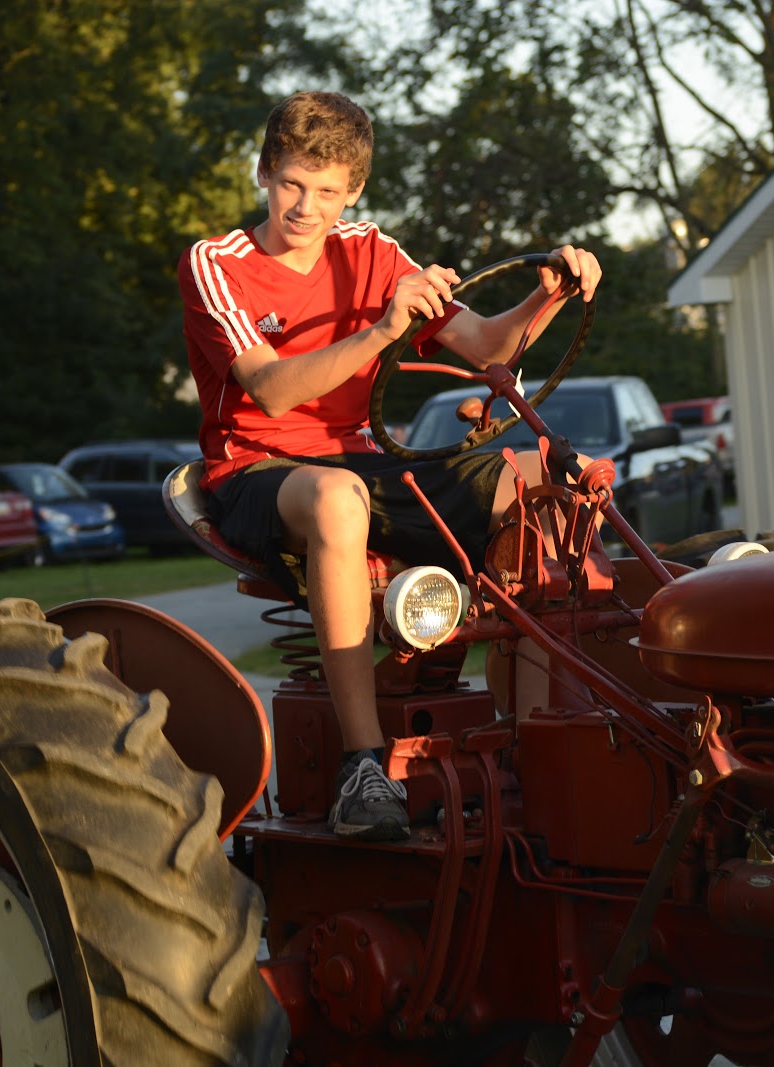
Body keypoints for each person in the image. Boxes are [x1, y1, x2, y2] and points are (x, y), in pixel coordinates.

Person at [179, 91, 600, 841]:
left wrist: (546, 299)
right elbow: (272, 392)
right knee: (339, 497)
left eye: (328, 191)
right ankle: (363, 766)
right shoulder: (218, 265)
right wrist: (384, 327)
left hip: (363, 464)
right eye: (291, 184)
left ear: (355, 192)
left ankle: (535, 740)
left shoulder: (373, 252)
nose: (306, 207)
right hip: (259, 472)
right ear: (264, 171)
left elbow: (486, 349)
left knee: (537, 484)